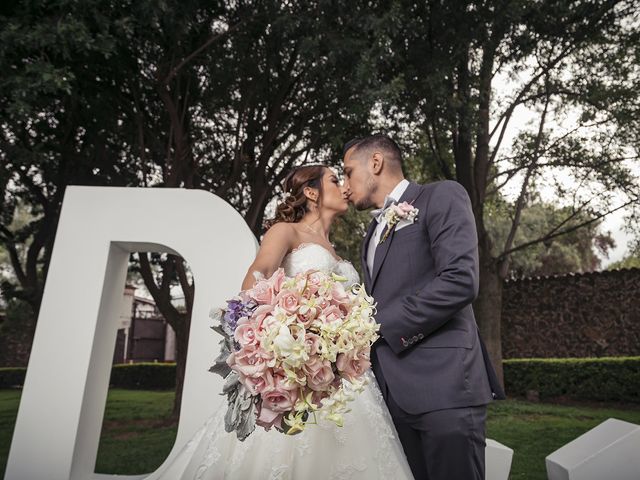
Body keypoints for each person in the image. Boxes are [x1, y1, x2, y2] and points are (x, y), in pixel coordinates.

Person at [174, 164, 414, 480]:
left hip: (337, 372)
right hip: (295, 366)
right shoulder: (286, 231)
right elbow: (252, 285)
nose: (344, 187)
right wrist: (283, 335)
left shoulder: (336, 250)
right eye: (334, 180)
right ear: (312, 192)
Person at [342, 133, 506, 480]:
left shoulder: (440, 195)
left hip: (443, 386)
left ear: (375, 163)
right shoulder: (371, 233)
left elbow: (460, 280)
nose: (344, 185)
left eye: (347, 172)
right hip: (392, 396)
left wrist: (375, 326)